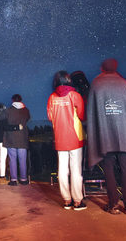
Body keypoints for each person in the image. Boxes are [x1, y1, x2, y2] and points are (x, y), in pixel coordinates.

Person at [86, 58, 126, 215]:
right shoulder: (123, 83)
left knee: (108, 167)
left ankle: (113, 204)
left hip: (105, 134)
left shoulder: (96, 83)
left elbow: (92, 110)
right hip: (124, 134)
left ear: (102, 68)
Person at [47, 71, 87, 210]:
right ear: (68, 80)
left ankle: (66, 200)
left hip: (59, 138)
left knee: (62, 170)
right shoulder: (75, 95)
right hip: (75, 138)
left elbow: (50, 117)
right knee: (76, 170)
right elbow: (81, 115)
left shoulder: (52, 97)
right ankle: (77, 201)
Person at [3, 94, 30, 186]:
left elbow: (5, 124)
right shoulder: (26, 110)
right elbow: (27, 119)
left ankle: (13, 179)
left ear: (13, 100)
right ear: (21, 100)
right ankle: (24, 179)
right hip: (22, 137)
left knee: (12, 159)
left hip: (11, 138)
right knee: (23, 159)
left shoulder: (8, 111)